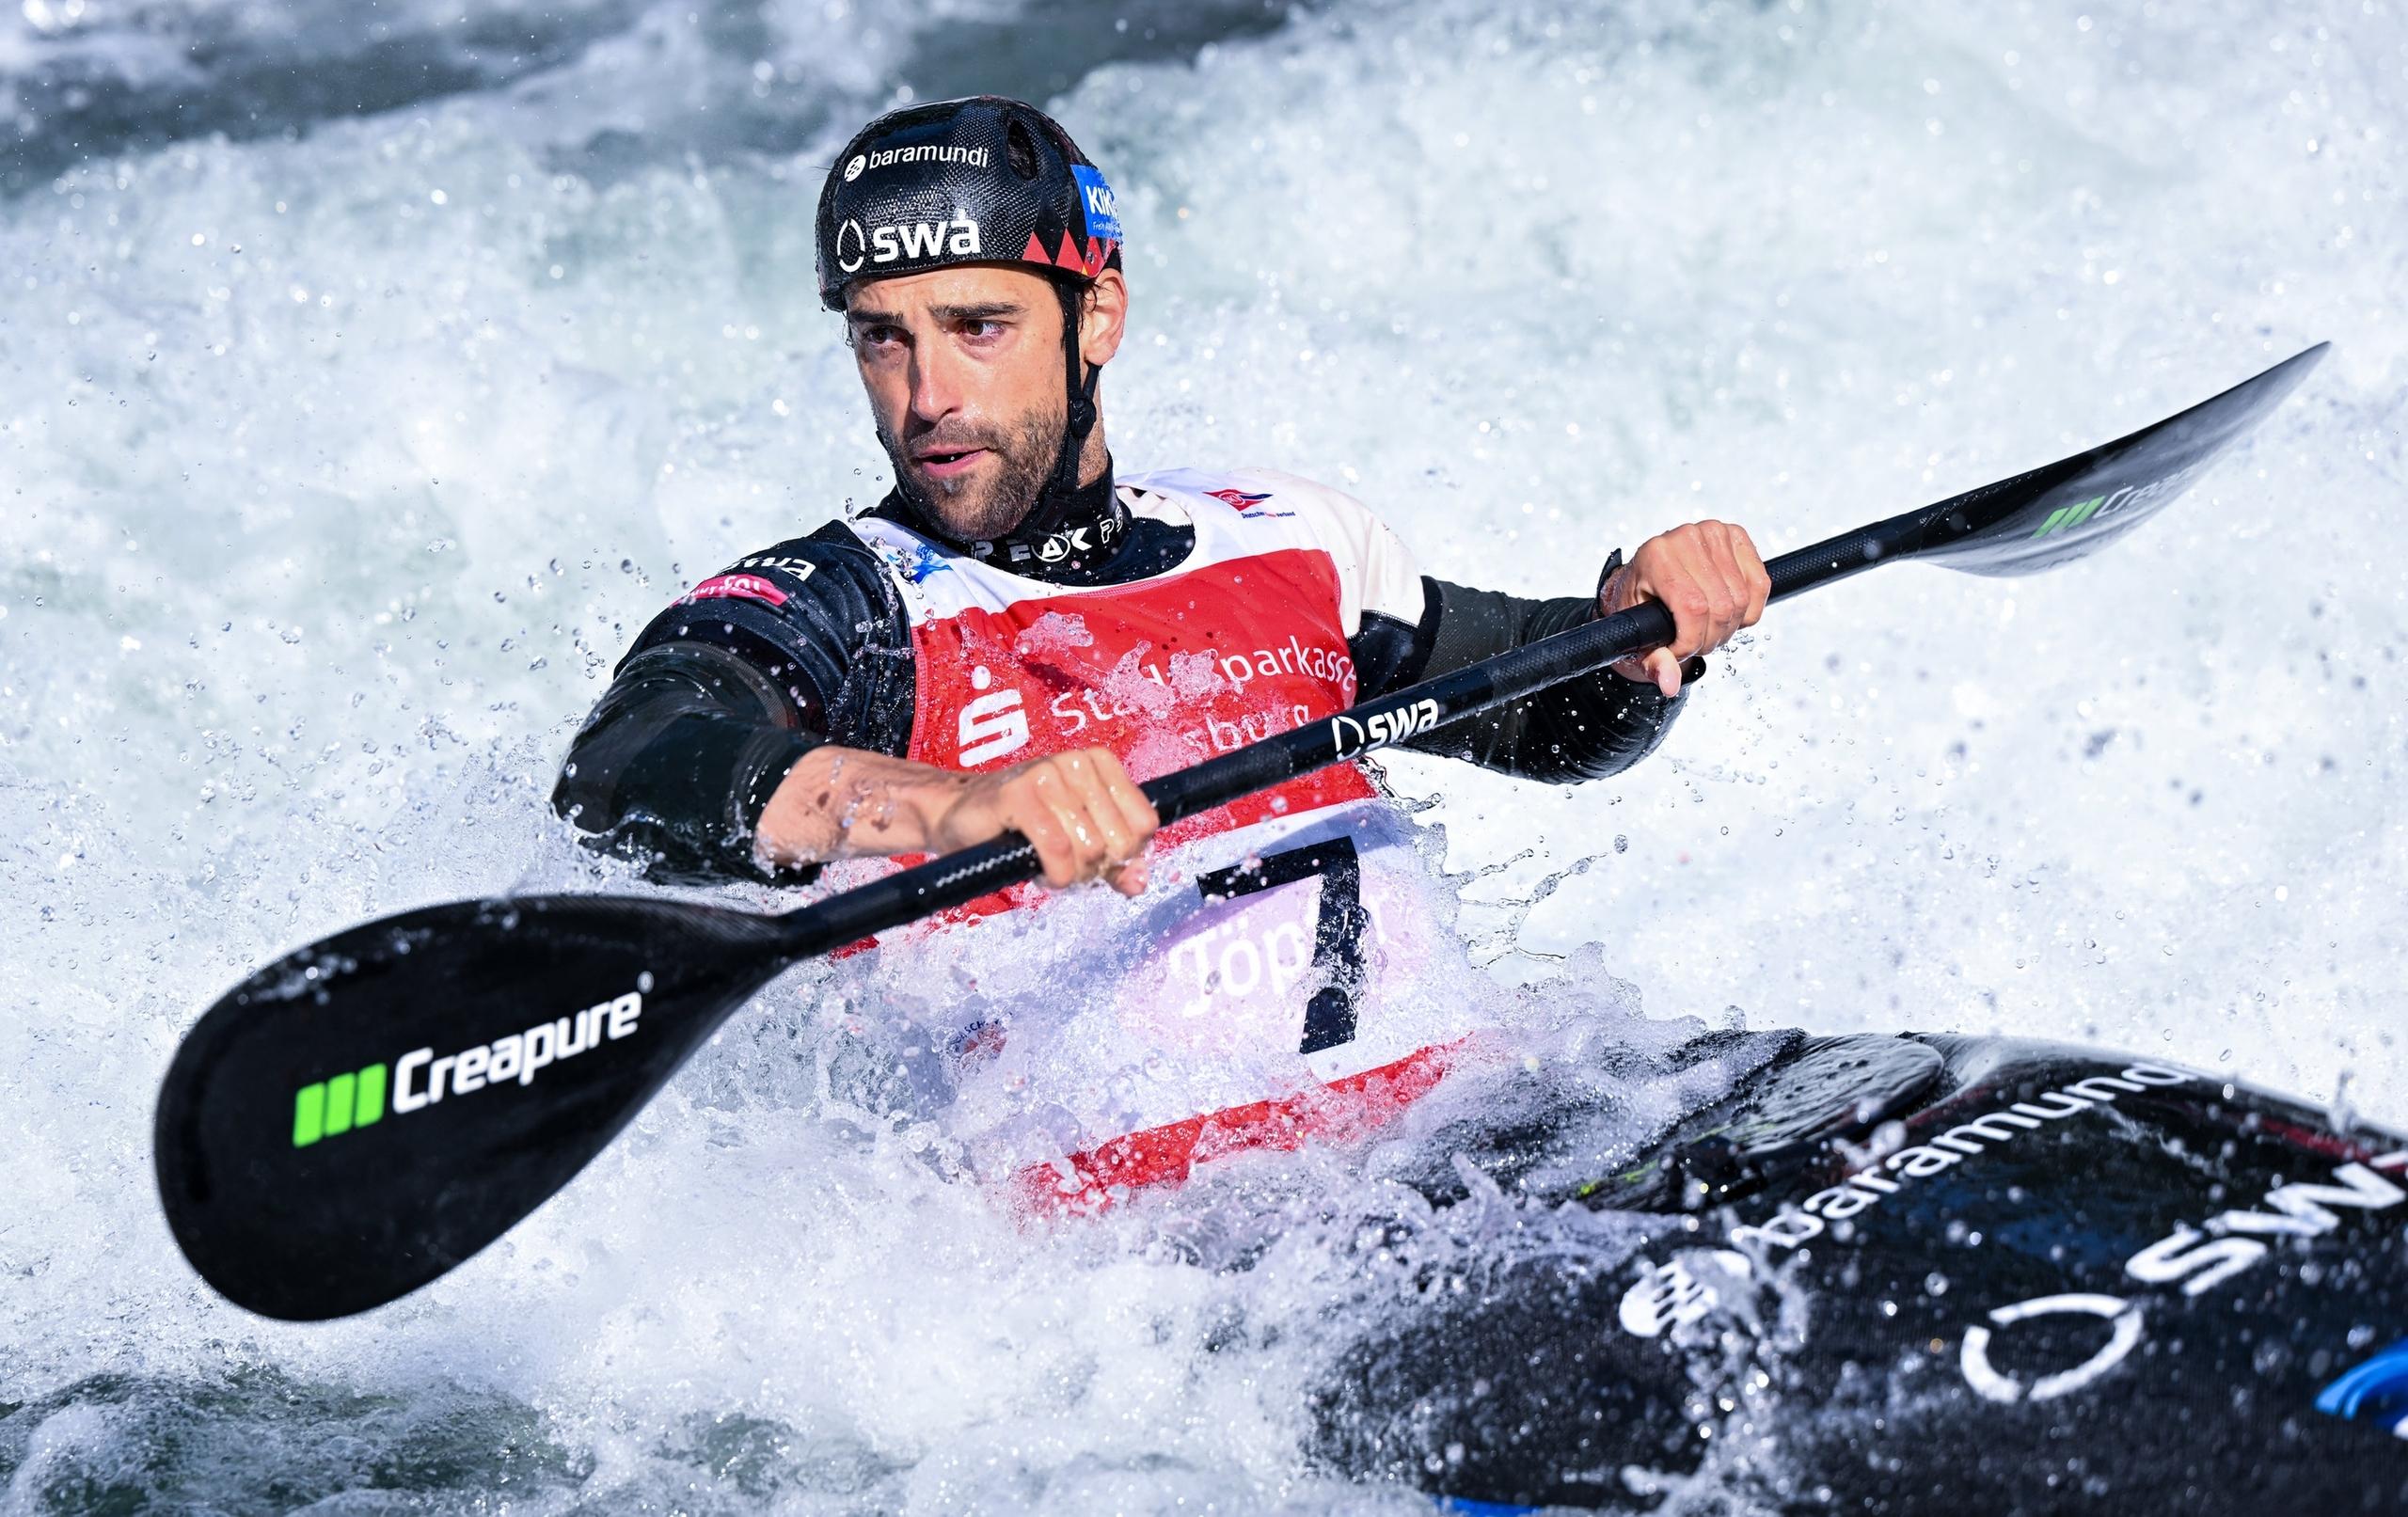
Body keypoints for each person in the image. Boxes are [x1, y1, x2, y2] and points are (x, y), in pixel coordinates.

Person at [553, 96, 1769, 1209]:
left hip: (1489, 1140)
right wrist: (959, 804)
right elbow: (631, 762)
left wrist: (1643, 621)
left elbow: (1548, 718)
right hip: (1198, 1269)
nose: (925, 395)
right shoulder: (847, 603)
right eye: (884, 340)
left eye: (979, 328)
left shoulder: (1286, 539)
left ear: (1099, 317)